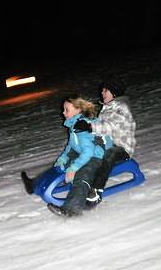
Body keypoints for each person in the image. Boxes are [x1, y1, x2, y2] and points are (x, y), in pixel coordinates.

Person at [21, 95, 113, 216]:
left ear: (78, 110)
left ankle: (72, 209)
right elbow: (71, 146)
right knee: (60, 166)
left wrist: (74, 168)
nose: (63, 112)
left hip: (98, 156)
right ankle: (33, 184)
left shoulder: (82, 126)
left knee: (82, 175)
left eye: (66, 110)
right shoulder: (74, 124)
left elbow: (89, 152)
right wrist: (63, 159)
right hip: (84, 152)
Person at [73, 77, 136, 205]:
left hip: (121, 148)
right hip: (106, 145)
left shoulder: (121, 108)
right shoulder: (106, 108)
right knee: (83, 149)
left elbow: (109, 127)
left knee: (109, 154)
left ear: (114, 92)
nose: (102, 93)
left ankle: (95, 192)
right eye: (102, 90)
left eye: (105, 91)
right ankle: (72, 176)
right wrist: (84, 122)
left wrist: (90, 127)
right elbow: (99, 124)